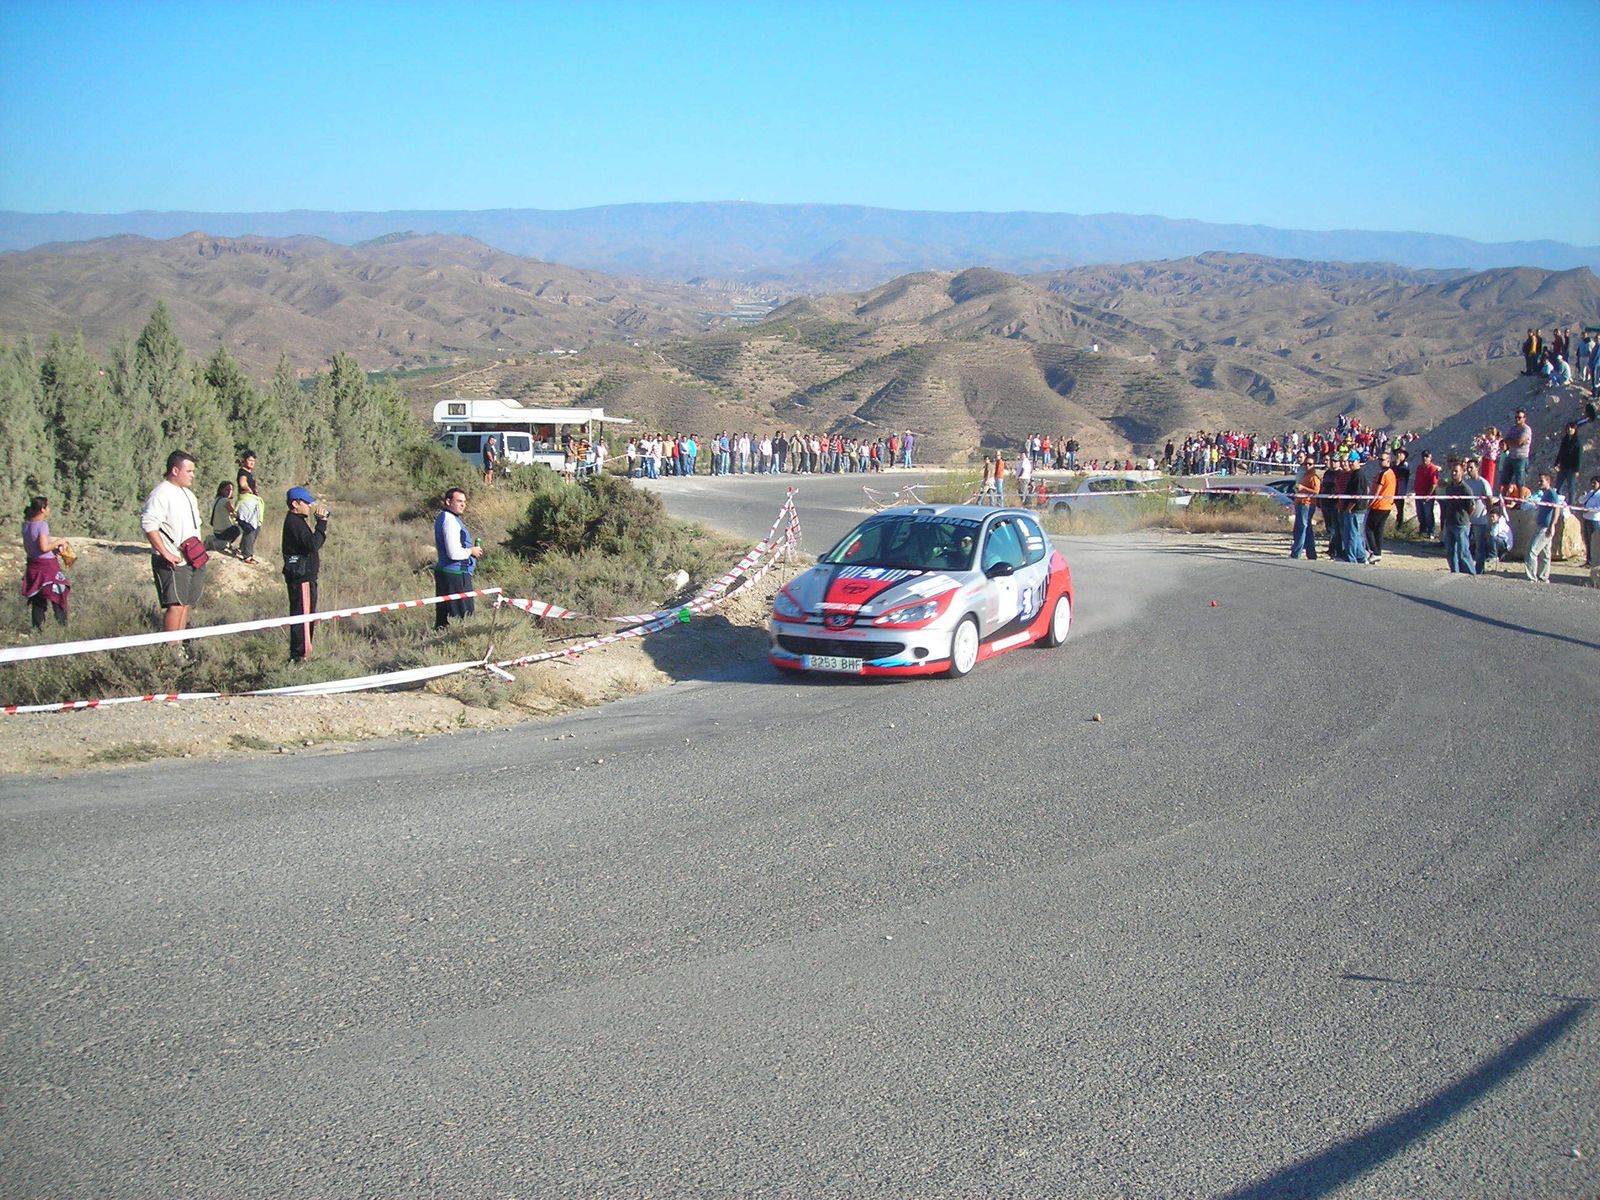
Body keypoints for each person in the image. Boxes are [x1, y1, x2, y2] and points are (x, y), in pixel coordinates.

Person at [140, 450, 206, 633]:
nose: (193, 475)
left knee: (185, 604)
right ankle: (170, 650)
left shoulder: (189, 495)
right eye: (189, 471)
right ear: (175, 471)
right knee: (175, 605)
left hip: (192, 558)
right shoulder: (161, 493)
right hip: (172, 560)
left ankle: (179, 645)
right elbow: (148, 524)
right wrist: (165, 552)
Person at [281, 486, 328, 661]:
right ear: (295, 503)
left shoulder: (295, 521)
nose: (309, 505)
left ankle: (298, 655)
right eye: (306, 502)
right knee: (304, 617)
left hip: (300, 577)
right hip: (302, 579)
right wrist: (322, 525)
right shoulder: (295, 522)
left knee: (302, 615)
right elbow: (312, 545)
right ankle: (301, 656)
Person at [433, 487, 484, 629]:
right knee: (462, 618)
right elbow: (453, 553)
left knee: (445, 618)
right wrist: (471, 551)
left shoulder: (446, 518)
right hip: (455, 575)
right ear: (448, 501)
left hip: (449, 573)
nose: (463, 505)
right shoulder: (449, 521)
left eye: (464, 502)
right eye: (459, 501)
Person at [20, 496, 70, 630]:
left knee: (38, 600)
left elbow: (30, 549)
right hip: (48, 568)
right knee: (59, 595)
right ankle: (62, 629)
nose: (49, 509)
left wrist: (53, 551)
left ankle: (38, 631)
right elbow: (43, 547)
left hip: (33, 566)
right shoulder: (42, 525)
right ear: (42, 509)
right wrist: (59, 542)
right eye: (47, 507)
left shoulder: (25, 525)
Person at [1439, 459, 1475, 574]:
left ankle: (1471, 573)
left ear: (1462, 473)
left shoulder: (1466, 489)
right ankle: (1455, 572)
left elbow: (1472, 507)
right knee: (1450, 551)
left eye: (1456, 471)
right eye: (1452, 471)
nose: (1453, 473)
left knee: (1463, 552)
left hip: (1461, 524)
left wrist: (1465, 518)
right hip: (1450, 522)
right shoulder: (1449, 488)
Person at [1523, 472, 1559, 583]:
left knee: (1532, 551)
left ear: (1548, 481)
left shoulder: (1552, 494)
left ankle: (1532, 577)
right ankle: (1543, 577)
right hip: (1541, 526)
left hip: (1546, 528)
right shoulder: (1544, 494)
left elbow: (1557, 509)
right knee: (1545, 554)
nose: (1539, 483)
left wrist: (1552, 525)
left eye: (1541, 481)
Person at [1462, 460, 1493, 573]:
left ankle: (1479, 570)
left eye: (1471, 468)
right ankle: (1466, 568)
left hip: (1480, 519)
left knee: (1480, 547)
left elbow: (1489, 499)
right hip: (1468, 519)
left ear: (1477, 468)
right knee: (1466, 545)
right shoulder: (1466, 483)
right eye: (1468, 468)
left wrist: (1488, 513)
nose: (1469, 470)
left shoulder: (1483, 483)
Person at [1365, 451, 1396, 563]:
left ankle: (1374, 551)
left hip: (1379, 505)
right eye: (1379, 459)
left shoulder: (1384, 474)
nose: (1380, 461)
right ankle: (1378, 553)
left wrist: (1370, 503)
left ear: (1388, 461)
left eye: (1382, 459)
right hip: (1387, 505)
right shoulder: (1391, 473)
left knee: (1368, 529)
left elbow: (1377, 491)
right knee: (1378, 530)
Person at [1290, 455, 1320, 560]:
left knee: (1302, 528)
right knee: (1306, 529)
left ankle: (1296, 553)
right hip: (1300, 503)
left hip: (1307, 504)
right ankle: (1311, 553)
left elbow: (1316, 491)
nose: (1307, 466)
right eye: (1306, 464)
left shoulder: (1313, 477)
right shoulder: (1304, 475)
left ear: (1314, 465)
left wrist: (1303, 488)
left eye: (1310, 464)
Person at [207, 481, 241, 556]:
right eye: (227, 490)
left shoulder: (217, 499)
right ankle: (230, 546)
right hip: (223, 532)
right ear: (221, 490)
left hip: (216, 531)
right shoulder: (225, 501)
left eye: (231, 490)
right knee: (239, 528)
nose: (229, 492)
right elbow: (234, 512)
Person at [1501, 409, 1531, 494]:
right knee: (1505, 479)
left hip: (1521, 458)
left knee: (1520, 481)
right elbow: (1506, 440)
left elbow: (1519, 441)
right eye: (1516, 417)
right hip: (1511, 456)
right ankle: (1502, 498)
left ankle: (1520, 500)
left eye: (1519, 417)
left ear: (1524, 418)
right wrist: (1515, 442)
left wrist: (1515, 441)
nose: (1517, 419)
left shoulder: (1526, 429)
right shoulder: (1512, 428)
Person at [1553, 421, 1582, 504]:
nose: (1569, 429)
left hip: (1572, 468)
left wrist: (1577, 470)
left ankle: (1570, 506)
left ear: (1575, 429)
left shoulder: (1577, 442)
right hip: (1563, 466)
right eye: (1568, 428)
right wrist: (1556, 463)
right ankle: (1557, 503)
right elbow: (1561, 452)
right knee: (1558, 486)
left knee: (1571, 488)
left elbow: (1579, 457)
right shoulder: (1565, 440)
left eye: (1571, 428)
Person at [1413, 450, 1439, 539]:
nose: (1425, 458)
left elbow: (1434, 484)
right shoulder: (1419, 467)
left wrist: (1429, 495)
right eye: (1423, 456)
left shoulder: (1432, 468)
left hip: (1427, 496)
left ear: (1430, 458)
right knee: (1420, 513)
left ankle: (1431, 531)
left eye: (1427, 456)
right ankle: (1422, 530)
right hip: (1418, 494)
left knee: (1428, 513)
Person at [234, 486, 263, 564]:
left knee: (252, 532)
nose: (256, 490)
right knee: (250, 532)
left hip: (255, 520)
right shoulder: (246, 499)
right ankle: (247, 556)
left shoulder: (252, 499)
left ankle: (241, 549)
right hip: (250, 521)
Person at [1391, 447, 1412, 530]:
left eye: (1401, 453)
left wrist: (1396, 465)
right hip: (1392, 489)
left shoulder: (1405, 465)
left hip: (1400, 490)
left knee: (1400, 509)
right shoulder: (1393, 464)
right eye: (1397, 453)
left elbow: (1402, 473)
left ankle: (1400, 526)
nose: (1398, 455)